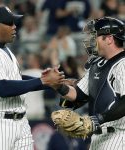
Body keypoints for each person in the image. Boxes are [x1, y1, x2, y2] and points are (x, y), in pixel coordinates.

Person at [0, 5, 64, 150]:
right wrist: (42, 81)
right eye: (10, 23)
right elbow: (2, 88)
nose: (15, 27)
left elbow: (17, 78)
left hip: (20, 123)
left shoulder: (5, 49)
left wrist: (50, 82)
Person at [49, 16, 125, 149]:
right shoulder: (97, 64)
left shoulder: (122, 64)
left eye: (95, 36)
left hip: (119, 136)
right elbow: (78, 95)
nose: (92, 40)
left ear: (109, 39)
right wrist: (58, 85)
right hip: (98, 137)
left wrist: (97, 120)